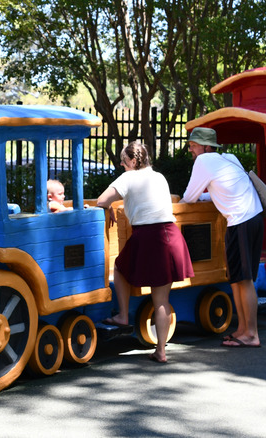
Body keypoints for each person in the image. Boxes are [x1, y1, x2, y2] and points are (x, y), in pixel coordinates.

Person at [97, 141, 193, 363]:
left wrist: (109, 207)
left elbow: (102, 200)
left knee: (119, 267)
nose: (122, 165)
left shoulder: (129, 177)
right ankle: (161, 350)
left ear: (132, 161)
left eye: (123, 162)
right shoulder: (159, 177)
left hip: (148, 236)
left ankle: (122, 315)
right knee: (161, 300)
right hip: (171, 234)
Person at [180, 127, 264, 348]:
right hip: (249, 218)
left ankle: (252, 334)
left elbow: (189, 197)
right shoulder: (229, 158)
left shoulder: (204, 161)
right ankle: (243, 330)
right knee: (236, 279)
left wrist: (193, 198)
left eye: (194, 146)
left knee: (244, 280)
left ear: (207, 147)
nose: (191, 150)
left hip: (241, 221)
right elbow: (224, 189)